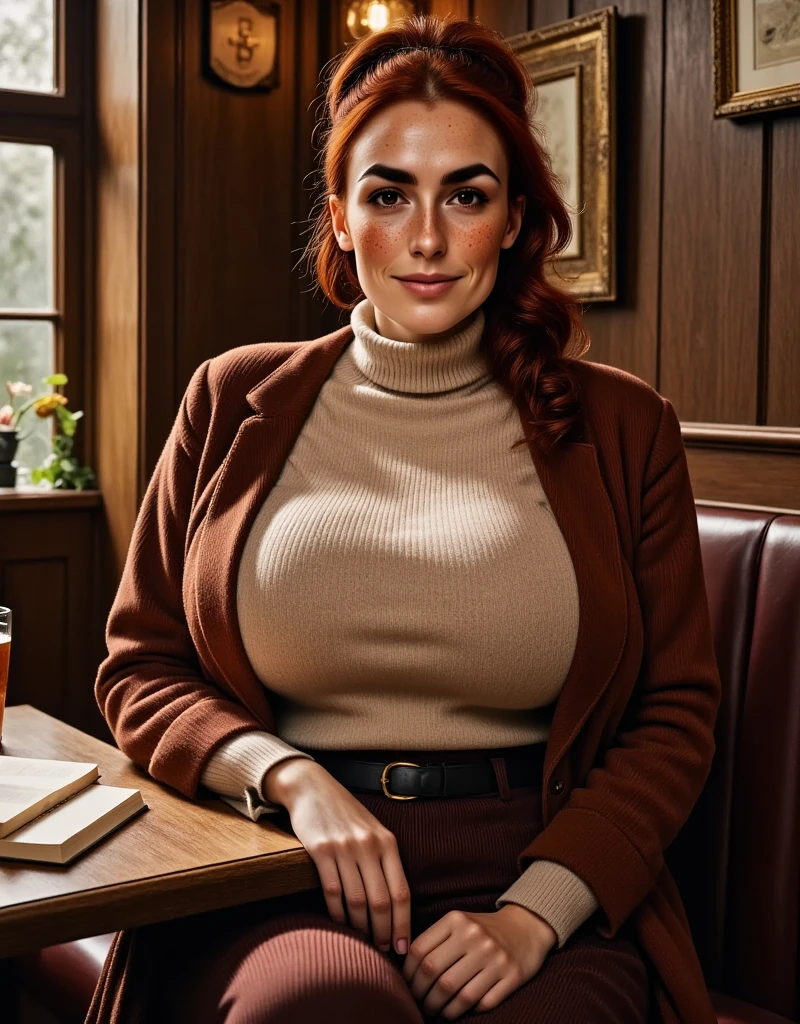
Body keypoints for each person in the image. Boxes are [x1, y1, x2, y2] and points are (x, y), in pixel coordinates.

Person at [86, 13, 721, 1024]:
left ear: (512, 219)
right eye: (387, 194)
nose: (425, 238)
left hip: (541, 872)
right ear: (338, 216)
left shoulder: (625, 425)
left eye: (464, 195)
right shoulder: (229, 398)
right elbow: (139, 667)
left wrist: (535, 911)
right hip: (275, 869)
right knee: (321, 1008)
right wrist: (286, 778)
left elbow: (674, 714)